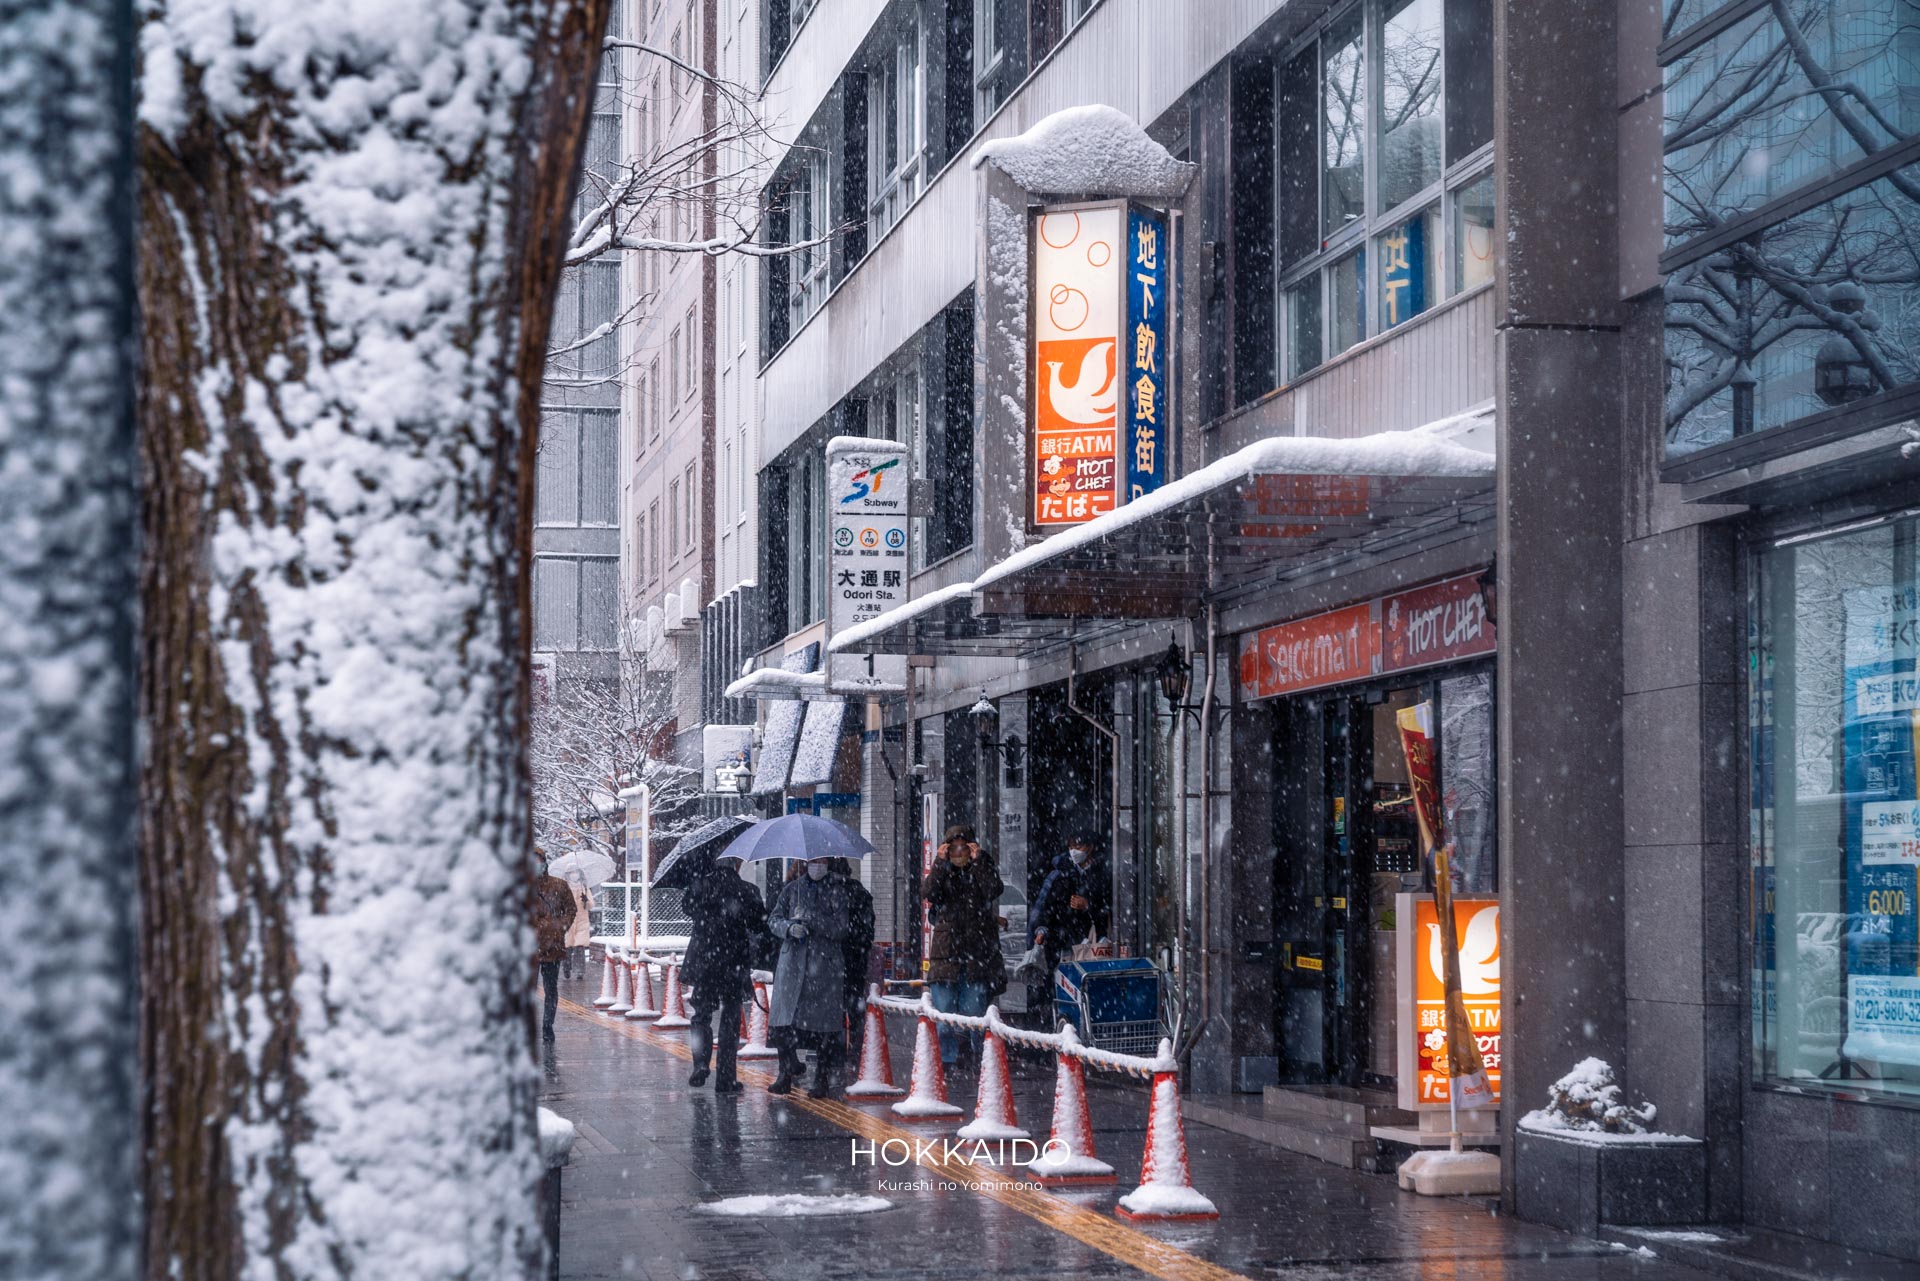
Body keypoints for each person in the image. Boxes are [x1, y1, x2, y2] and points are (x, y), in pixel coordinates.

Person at [681, 853, 768, 1094]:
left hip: (704, 961)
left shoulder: (700, 886)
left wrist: (700, 886)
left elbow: (687, 908)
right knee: (730, 1018)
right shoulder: (747, 890)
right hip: (733, 962)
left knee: (701, 1014)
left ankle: (700, 1064)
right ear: (736, 863)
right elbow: (759, 924)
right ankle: (726, 1078)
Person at [767, 855, 852, 1097]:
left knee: (824, 1026)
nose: (818, 865)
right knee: (783, 1021)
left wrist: (813, 919)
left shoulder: (837, 891)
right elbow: (774, 920)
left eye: (822, 861)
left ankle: (821, 1078)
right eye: (814, 861)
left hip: (824, 966)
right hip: (792, 965)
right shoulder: (791, 889)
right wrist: (789, 928)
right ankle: (784, 1073)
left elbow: (841, 928)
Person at [923, 825, 1005, 1069]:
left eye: (964, 847)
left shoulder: (982, 865)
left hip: (976, 952)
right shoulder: (943, 869)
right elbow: (929, 892)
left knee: (975, 1012)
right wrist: (940, 863)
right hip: (945, 953)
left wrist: (978, 862)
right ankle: (946, 1060)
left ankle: (980, 1058)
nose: (959, 852)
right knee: (944, 1012)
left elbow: (993, 889)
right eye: (954, 847)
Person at [1030, 834, 1111, 977]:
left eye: (1078, 847)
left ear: (1090, 848)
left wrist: (1088, 905)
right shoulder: (1059, 875)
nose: (1074, 851)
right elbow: (1044, 907)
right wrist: (1041, 930)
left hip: (1091, 943)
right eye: (1071, 847)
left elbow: (1109, 908)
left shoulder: (1102, 875)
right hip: (1062, 942)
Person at [833, 857, 875, 1069]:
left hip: (832, 961)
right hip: (856, 960)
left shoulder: (830, 893)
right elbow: (868, 930)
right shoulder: (860, 892)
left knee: (834, 1009)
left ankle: (837, 1052)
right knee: (855, 1007)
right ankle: (857, 1052)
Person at [530, 857, 577, 1043]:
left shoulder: (559, 885)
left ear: (545, 864)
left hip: (553, 946)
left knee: (551, 989)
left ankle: (547, 1026)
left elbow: (571, 909)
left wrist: (560, 927)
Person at [561, 873, 593, 979]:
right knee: (567, 946)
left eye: (576, 872)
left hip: (582, 921)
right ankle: (566, 967)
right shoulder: (563, 887)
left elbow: (590, 905)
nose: (574, 875)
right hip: (568, 922)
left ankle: (579, 971)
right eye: (571, 872)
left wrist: (586, 900)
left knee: (580, 946)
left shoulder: (584, 887)